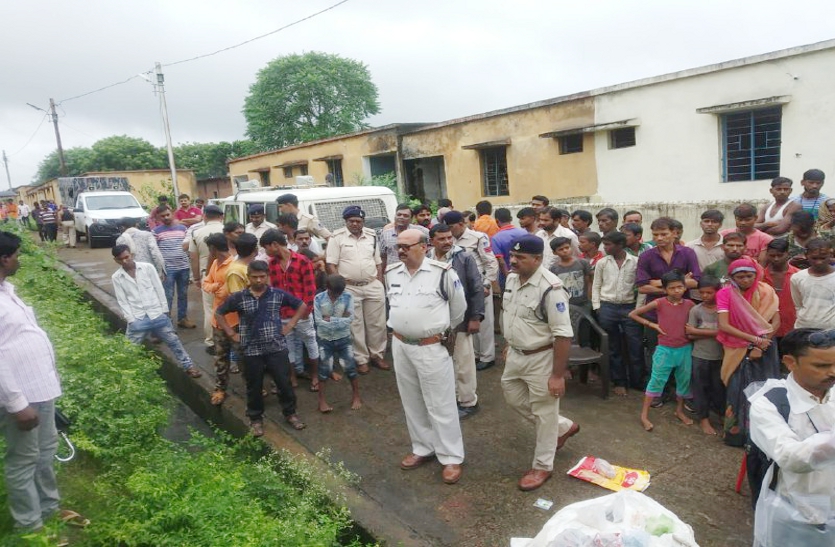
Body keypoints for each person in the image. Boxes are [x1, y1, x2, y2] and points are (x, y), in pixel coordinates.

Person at [0, 231, 81, 532]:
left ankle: (49, 508)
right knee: (23, 460)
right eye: (17, 255)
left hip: (40, 390)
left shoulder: (7, 290)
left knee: (45, 451)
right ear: (4, 259)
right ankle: (31, 527)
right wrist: (16, 404)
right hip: (21, 397)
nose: (19, 260)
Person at [386, 228, 467, 485]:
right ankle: (423, 447)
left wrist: (438, 331)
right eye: (398, 246)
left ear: (424, 247)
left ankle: (451, 456)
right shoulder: (391, 273)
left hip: (431, 347)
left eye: (406, 246)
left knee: (440, 403)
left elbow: (459, 309)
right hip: (400, 344)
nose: (401, 251)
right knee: (411, 400)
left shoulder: (442, 273)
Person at [501, 235, 578, 491]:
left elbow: (563, 334)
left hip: (541, 358)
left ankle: (542, 466)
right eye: (512, 255)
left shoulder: (551, 288)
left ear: (537, 259)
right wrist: (510, 342)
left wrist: (557, 375)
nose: (513, 261)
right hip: (516, 354)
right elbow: (511, 314)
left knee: (544, 413)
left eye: (520, 257)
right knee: (512, 397)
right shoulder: (512, 279)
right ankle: (563, 426)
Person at [748, 328, 835, 546]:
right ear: (790, 362)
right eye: (821, 366)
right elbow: (792, 457)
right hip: (793, 511)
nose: (833, 372)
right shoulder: (769, 403)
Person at [216, 261, 308, 436]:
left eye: (262, 276)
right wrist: (231, 333)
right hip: (251, 350)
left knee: (284, 383)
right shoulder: (239, 297)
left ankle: (290, 413)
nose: (258, 280)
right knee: (254, 386)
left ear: (267, 276)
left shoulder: (277, 294)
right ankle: (255, 419)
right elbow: (219, 313)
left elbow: (301, 306)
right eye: (254, 277)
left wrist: (289, 326)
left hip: (276, 347)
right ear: (248, 277)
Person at [715, 257, 781, 446]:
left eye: (749, 276)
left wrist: (760, 345)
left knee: (764, 390)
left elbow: (776, 321)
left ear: (756, 274)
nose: (745, 280)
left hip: (766, 346)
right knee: (737, 389)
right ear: (732, 277)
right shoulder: (725, 293)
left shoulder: (766, 291)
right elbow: (724, 325)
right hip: (737, 346)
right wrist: (755, 340)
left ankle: (762, 438)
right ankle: (736, 435)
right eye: (740, 276)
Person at [110, 245, 201, 378]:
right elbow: (122, 300)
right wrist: (131, 319)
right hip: (138, 318)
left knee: (174, 341)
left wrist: (164, 311)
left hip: (157, 314)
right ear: (116, 260)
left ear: (131, 254)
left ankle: (189, 366)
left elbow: (159, 289)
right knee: (129, 348)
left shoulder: (147, 268)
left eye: (126, 257)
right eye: (120, 259)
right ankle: (124, 376)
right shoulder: (117, 277)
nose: (124, 261)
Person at [428, 223, 485, 420]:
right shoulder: (427, 258)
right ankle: (451, 398)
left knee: (464, 363)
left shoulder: (464, 258)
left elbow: (476, 288)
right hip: (437, 321)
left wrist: (475, 317)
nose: (446, 242)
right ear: (432, 241)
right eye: (441, 239)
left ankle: (468, 402)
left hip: (461, 319)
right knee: (444, 361)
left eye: (449, 238)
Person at [629, 271, 695, 432]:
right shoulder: (659, 303)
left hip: (685, 349)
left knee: (684, 380)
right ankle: (644, 415)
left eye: (680, 287)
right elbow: (633, 314)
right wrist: (652, 325)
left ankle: (679, 410)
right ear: (665, 289)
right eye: (672, 288)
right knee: (656, 380)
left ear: (685, 287)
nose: (677, 290)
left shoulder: (690, 304)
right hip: (665, 349)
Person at [326, 205, 388, 374]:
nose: (355, 224)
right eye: (351, 221)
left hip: (372, 284)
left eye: (358, 221)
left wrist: (379, 282)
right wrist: (339, 285)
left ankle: (377, 355)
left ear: (363, 221)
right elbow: (331, 263)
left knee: (377, 323)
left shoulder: (371, 235)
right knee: (355, 325)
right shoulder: (337, 237)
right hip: (349, 287)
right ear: (345, 221)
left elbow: (378, 262)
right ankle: (361, 359)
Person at [261, 229, 319, 390]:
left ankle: (315, 375)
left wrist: (306, 312)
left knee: (310, 342)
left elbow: (310, 290)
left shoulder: (302, 261)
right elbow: (272, 289)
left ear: (274, 245)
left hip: (302, 314)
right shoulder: (271, 264)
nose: (265, 252)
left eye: (266, 247)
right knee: (288, 346)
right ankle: (292, 376)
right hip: (283, 314)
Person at [444, 211, 499, 371]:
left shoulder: (478, 238)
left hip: (479, 285)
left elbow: (490, 262)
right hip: (460, 287)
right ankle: (474, 354)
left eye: (451, 227)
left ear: (461, 224)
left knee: (484, 322)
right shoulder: (450, 239)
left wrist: (487, 284)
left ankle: (487, 356)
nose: (449, 230)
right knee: (466, 321)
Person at [592, 232, 643, 395]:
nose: (605, 248)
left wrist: (638, 309)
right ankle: (619, 381)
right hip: (607, 307)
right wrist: (597, 306)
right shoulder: (602, 263)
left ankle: (637, 381)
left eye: (608, 244)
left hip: (630, 307)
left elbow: (641, 287)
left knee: (635, 345)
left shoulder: (636, 262)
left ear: (620, 245)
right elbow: (596, 285)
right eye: (604, 244)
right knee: (613, 346)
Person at [314, 275, 361, 413]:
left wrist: (330, 319)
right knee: (324, 370)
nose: (338, 295)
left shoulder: (348, 296)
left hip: (343, 338)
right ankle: (321, 401)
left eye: (340, 292)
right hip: (325, 339)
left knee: (350, 368)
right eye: (335, 293)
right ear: (327, 288)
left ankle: (356, 396)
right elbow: (318, 321)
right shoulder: (318, 298)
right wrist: (340, 319)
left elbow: (350, 318)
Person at [201, 233, 238, 406]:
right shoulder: (215, 264)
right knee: (220, 357)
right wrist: (216, 286)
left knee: (244, 358)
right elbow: (206, 284)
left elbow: (231, 293)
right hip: (219, 321)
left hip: (236, 321)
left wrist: (222, 290)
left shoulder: (234, 266)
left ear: (213, 248)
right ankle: (220, 389)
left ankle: (254, 386)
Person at [685, 277, 725, 435]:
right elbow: (690, 335)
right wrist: (717, 333)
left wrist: (698, 331)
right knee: (700, 387)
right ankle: (703, 418)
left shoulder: (723, 310)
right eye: (702, 293)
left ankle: (722, 414)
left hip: (721, 356)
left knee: (719, 387)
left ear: (718, 292)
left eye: (709, 292)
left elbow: (726, 332)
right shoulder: (696, 310)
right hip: (700, 355)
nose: (705, 296)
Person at [189, 205, 225, 351]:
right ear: (221, 216)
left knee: (210, 309)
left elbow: (193, 257)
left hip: (208, 274)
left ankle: (211, 341)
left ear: (204, 216)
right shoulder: (228, 231)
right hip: (227, 272)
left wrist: (196, 278)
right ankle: (228, 339)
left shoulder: (196, 233)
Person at [153, 206, 195, 329]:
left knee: (183, 294)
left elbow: (188, 246)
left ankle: (182, 319)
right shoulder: (156, 232)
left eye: (168, 214)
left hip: (184, 267)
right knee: (168, 296)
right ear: (158, 218)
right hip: (168, 269)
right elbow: (154, 251)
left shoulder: (183, 229)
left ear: (172, 214)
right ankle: (167, 323)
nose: (166, 217)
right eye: (163, 216)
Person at [791, 238, 835, 329]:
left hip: (831, 331)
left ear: (830, 255)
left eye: (823, 258)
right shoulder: (798, 278)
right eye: (814, 258)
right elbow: (798, 305)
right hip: (804, 328)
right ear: (806, 256)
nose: (819, 262)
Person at [763, 238, 799, 342]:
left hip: (793, 328)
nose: (776, 259)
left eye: (780, 255)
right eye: (772, 255)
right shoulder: (760, 276)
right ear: (767, 254)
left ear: (788, 254)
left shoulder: (799, 275)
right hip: (767, 330)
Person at [380, 203, 429, 270]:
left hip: (417, 270)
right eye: (399, 215)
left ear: (411, 219)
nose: (401, 217)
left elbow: (430, 251)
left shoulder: (422, 232)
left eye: (405, 216)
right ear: (395, 216)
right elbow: (383, 257)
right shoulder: (385, 234)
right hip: (393, 271)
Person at [549, 237, 591, 310]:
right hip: (565, 303)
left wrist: (589, 296)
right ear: (554, 252)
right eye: (561, 249)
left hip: (583, 302)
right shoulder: (554, 268)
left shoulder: (583, 263)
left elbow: (589, 281)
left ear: (571, 247)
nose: (565, 251)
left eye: (567, 248)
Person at [490, 207, 527, 289]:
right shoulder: (524, 233)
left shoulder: (496, 238)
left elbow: (501, 261)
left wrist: (508, 277)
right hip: (525, 273)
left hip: (507, 274)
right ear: (511, 219)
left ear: (497, 221)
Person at [536, 206, 579, 270]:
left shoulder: (569, 235)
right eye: (541, 220)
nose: (542, 223)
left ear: (557, 220)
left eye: (546, 220)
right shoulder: (539, 235)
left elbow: (577, 256)